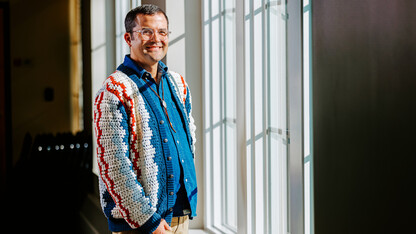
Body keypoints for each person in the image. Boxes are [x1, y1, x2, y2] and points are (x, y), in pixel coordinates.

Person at [93, 4, 197, 234]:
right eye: (147, 31)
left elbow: (188, 143)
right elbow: (114, 167)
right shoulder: (113, 90)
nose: (156, 38)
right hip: (140, 224)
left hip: (180, 216)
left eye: (162, 32)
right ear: (129, 38)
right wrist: (147, 221)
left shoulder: (178, 85)